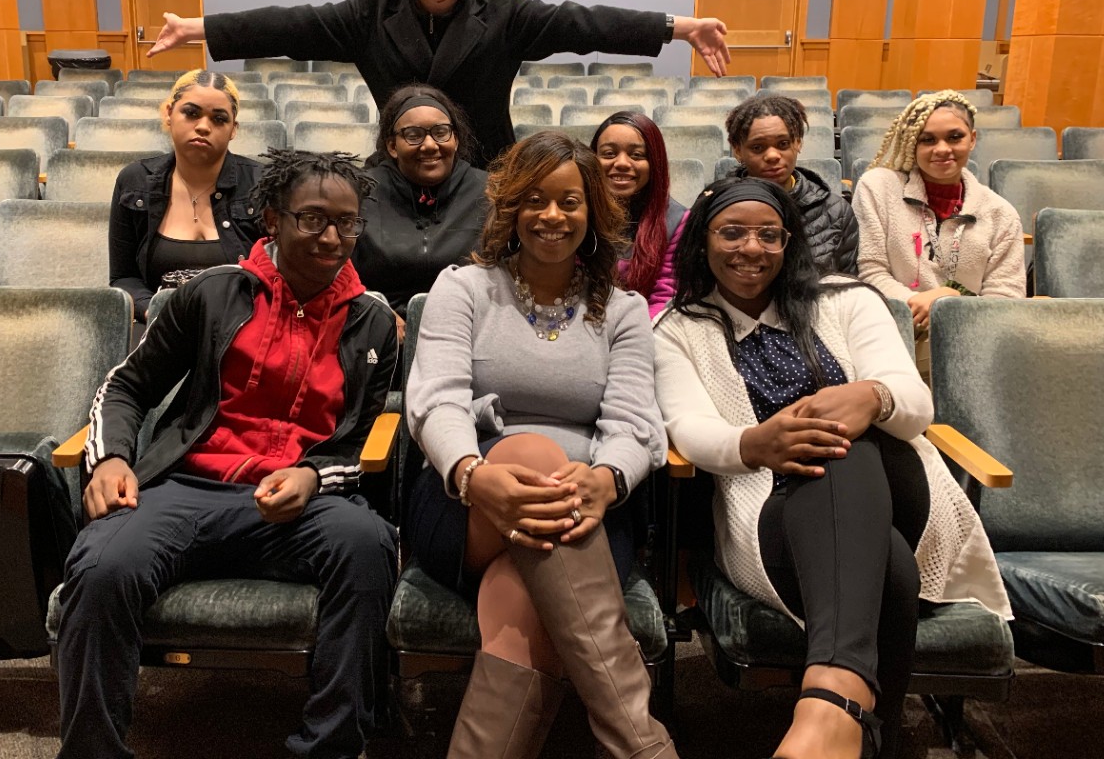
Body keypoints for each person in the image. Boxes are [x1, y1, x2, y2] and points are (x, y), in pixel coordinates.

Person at [57, 150, 399, 759]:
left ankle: (330, 747)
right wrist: (110, 460)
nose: (332, 237)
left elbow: (364, 435)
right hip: (189, 488)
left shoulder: (371, 321)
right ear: (272, 217)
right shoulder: (215, 292)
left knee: (367, 545)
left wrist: (313, 476)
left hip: (295, 505)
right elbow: (127, 386)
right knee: (104, 565)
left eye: (347, 224)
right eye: (313, 219)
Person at [652, 178, 1010, 759]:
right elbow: (690, 430)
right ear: (702, 242)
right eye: (732, 232)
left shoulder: (847, 299)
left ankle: (828, 696)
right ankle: (862, 730)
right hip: (775, 518)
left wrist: (872, 399)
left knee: (842, 448)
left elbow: (917, 406)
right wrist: (756, 444)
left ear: (789, 242)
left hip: (898, 494)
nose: (751, 247)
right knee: (888, 570)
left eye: (769, 234)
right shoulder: (680, 328)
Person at [405, 131, 677, 758]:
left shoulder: (624, 309)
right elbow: (435, 400)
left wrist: (607, 479)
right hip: (463, 500)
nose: (551, 216)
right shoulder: (463, 288)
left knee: (522, 593)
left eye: (569, 202)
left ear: (594, 212)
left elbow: (635, 422)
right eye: (534, 200)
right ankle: (641, 743)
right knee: (528, 454)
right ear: (510, 210)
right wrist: (473, 473)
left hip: (589, 508)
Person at [145, 0, 732, 168]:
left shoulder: (502, 8)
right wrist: (200, 27)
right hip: (398, 164)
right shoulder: (372, 8)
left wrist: (679, 28)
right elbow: (293, 25)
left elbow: (583, 24)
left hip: (485, 168)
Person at [851, 91, 1025, 335]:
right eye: (928, 140)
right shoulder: (878, 187)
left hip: (970, 335)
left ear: (972, 139)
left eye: (955, 137)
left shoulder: (1001, 213)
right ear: (912, 142)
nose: (942, 149)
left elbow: (1006, 298)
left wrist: (949, 302)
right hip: (894, 327)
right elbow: (869, 272)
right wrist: (917, 304)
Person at [108, 69, 263, 320]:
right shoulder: (134, 181)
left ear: (233, 129)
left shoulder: (261, 185)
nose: (203, 126)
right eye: (191, 113)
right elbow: (123, 277)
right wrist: (155, 312)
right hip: (158, 328)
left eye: (219, 119)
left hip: (241, 329)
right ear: (169, 113)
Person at [353, 83, 487, 319]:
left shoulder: (490, 193)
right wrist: (373, 312)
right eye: (413, 135)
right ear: (392, 146)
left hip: (470, 325)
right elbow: (335, 269)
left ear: (455, 139)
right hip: (377, 331)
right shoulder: (360, 192)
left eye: (441, 132)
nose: (429, 145)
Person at [725, 94, 858, 273]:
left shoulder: (837, 212)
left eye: (783, 144)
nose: (772, 156)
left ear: (798, 142)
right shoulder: (716, 208)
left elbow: (848, 284)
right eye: (757, 147)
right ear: (738, 151)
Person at [590, 111, 687, 316]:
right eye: (609, 154)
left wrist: (631, 337)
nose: (622, 163)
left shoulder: (677, 221)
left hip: (647, 332)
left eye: (637, 155)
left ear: (654, 163)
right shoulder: (578, 214)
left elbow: (665, 296)